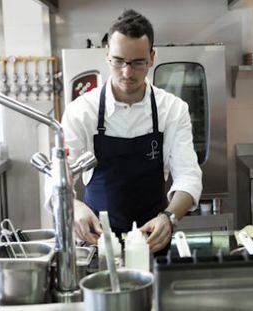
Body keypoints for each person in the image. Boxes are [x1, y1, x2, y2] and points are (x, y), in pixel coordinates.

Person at [60, 9, 202, 254]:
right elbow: (58, 181)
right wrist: (73, 206)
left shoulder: (173, 109)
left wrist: (169, 217)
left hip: (153, 242)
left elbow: (189, 176)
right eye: (119, 61)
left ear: (152, 58)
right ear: (107, 56)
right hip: (97, 243)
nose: (127, 72)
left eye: (137, 63)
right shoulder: (81, 112)